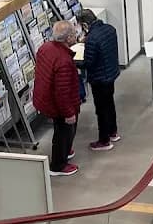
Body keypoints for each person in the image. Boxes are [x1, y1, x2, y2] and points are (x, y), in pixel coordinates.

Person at [33, 20, 80, 176]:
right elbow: (62, 92)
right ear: (68, 38)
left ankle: (65, 150)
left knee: (61, 130)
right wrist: (69, 113)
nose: (76, 35)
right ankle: (58, 165)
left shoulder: (45, 48)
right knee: (65, 131)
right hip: (58, 104)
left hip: (45, 98)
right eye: (73, 33)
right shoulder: (64, 61)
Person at [77, 9, 121, 152]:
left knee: (101, 110)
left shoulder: (92, 39)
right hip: (111, 73)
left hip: (99, 78)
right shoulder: (109, 29)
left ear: (84, 24)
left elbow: (88, 63)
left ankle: (104, 140)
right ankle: (113, 132)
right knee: (110, 104)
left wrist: (74, 61)